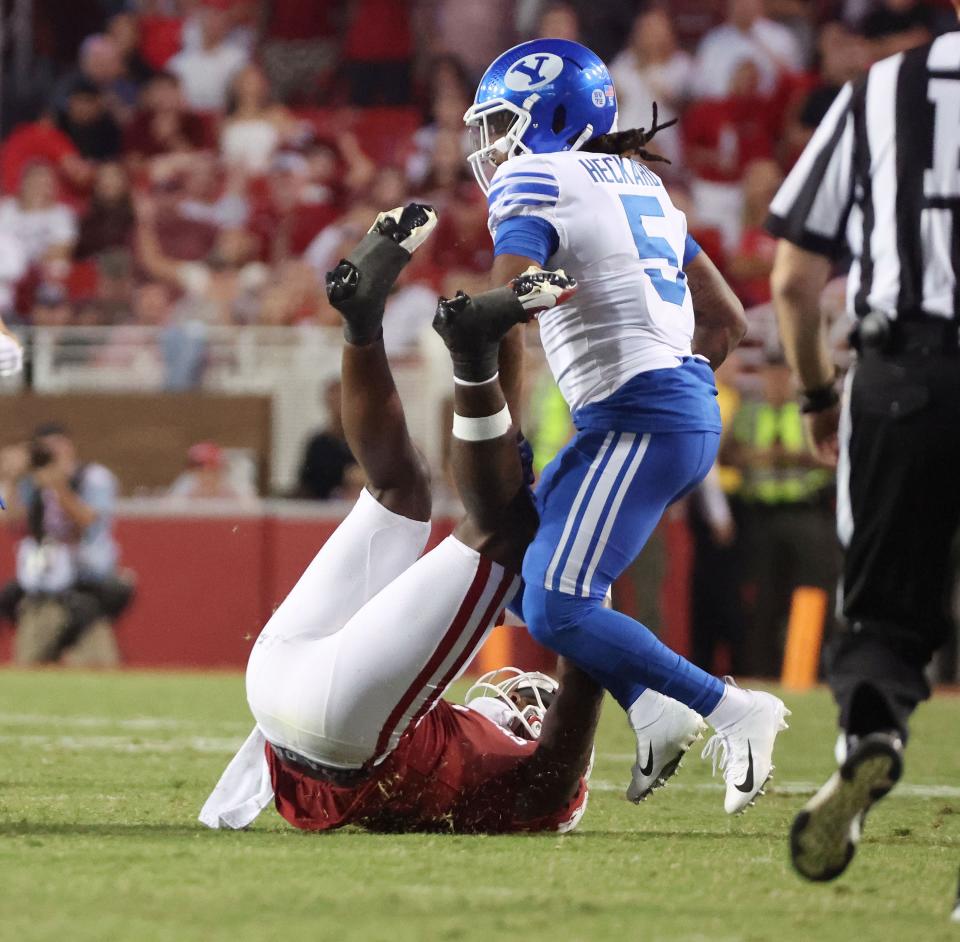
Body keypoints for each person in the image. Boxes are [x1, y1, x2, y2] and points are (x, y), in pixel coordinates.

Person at [462, 38, 789, 813]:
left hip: (641, 414)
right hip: (649, 409)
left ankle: (727, 707)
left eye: (504, 121)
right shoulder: (639, 183)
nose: (493, 144)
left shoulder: (538, 176)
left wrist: (481, 344)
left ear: (553, 114)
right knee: (529, 572)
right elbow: (730, 319)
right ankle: (650, 707)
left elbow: (511, 301)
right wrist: (679, 380)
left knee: (558, 605)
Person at [201, 204, 601, 834]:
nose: (522, 695)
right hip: (292, 712)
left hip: (321, 714)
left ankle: (384, 332)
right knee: (402, 492)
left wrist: (592, 637)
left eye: (531, 705)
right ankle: (370, 319)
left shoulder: (545, 791)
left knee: (476, 522)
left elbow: (570, 722)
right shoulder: (463, 758)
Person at [766, 12, 960, 881]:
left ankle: (874, 728)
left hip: (905, 371)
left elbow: (794, 280)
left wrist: (817, 396)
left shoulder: (877, 92)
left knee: (880, 615)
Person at [0, 423, 133, 663]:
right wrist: (10, 478)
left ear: (70, 447)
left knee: (96, 663)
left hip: (88, 584)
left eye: (57, 446)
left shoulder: (93, 477)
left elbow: (88, 521)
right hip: (44, 585)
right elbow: (10, 517)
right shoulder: (31, 483)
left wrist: (58, 485)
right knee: (30, 660)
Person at [295, 380, 363, 501]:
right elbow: (307, 483)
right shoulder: (318, 444)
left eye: (344, 398)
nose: (340, 404)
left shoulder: (366, 443)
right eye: (335, 398)